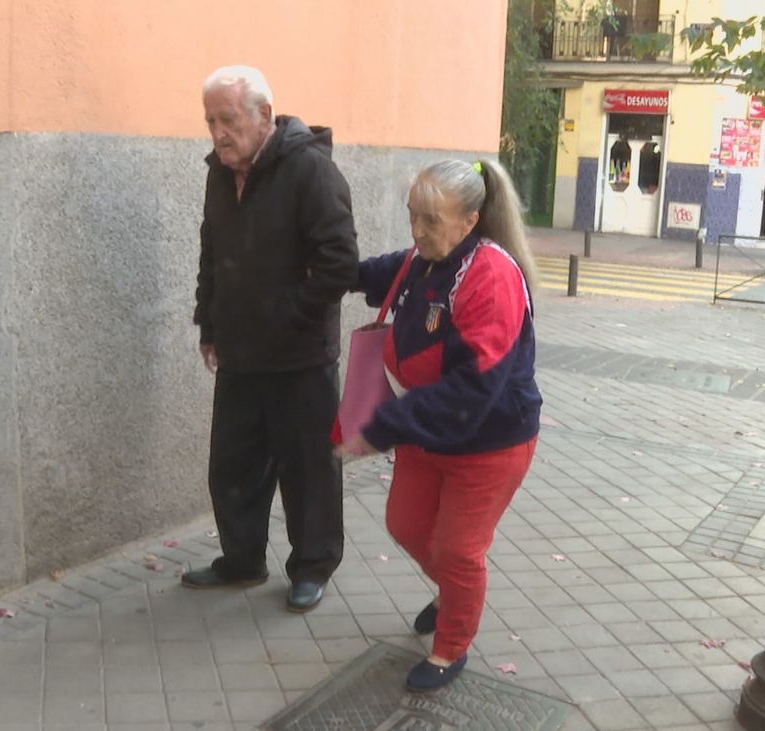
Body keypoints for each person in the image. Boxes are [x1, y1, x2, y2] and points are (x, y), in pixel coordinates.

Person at [336, 158, 543, 692]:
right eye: (412, 215)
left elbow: (472, 388)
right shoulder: (424, 259)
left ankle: (451, 646)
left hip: (490, 442)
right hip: (429, 431)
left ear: (470, 221)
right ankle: (455, 591)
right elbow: (376, 273)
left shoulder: (491, 276)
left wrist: (383, 426)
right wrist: (327, 269)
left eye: (431, 219)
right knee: (405, 524)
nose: (417, 231)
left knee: (457, 549)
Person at [184, 65, 359, 613]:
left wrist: (283, 315)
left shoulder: (311, 171)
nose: (218, 134)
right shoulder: (220, 174)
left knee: (307, 471)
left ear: (263, 115)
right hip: (240, 354)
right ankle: (242, 560)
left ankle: (312, 566)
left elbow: (338, 265)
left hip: (299, 357)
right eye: (210, 122)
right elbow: (212, 253)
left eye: (227, 120)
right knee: (232, 466)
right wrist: (209, 324)